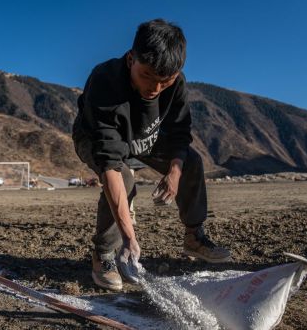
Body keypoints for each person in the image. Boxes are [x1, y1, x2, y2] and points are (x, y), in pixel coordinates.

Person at [72, 19, 231, 291]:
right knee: (124, 178)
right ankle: (104, 254)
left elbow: (180, 134)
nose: (155, 89)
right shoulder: (104, 81)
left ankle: (194, 237)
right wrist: (129, 238)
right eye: (147, 76)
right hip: (96, 137)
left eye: (164, 81)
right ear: (131, 58)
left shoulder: (176, 83)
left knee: (190, 161)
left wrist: (174, 172)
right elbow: (110, 163)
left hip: (146, 136)